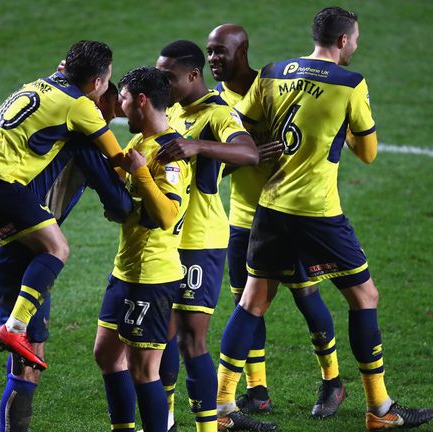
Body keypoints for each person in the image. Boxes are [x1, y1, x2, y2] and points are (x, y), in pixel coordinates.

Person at [215, 7, 433, 431]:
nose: (356, 45)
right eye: (355, 39)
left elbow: (240, 122)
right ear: (342, 41)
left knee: (251, 302)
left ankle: (223, 409)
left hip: (269, 208)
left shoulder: (274, 72)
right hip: (318, 214)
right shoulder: (351, 84)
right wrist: (341, 129)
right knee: (364, 297)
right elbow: (368, 154)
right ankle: (380, 410)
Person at [0, 86, 132, 432]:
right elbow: (119, 205)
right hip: (18, 253)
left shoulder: (49, 126)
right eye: (114, 105)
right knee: (26, 366)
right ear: (98, 101)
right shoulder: (83, 140)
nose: (115, 115)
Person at [0, 40, 127, 370]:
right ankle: (15, 328)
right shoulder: (81, 106)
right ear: (97, 84)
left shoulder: (40, 83)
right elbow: (116, 155)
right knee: (56, 249)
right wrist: (143, 174)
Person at [207, 24, 347, 420]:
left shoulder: (277, 87)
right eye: (210, 52)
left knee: (306, 295)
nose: (214, 59)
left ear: (243, 50)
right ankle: (257, 390)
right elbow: (213, 171)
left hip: (288, 217)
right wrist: (246, 157)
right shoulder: (214, 103)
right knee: (244, 304)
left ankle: (333, 380)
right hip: (242, 218)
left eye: (221, 51)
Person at [152, 40, 274, 432]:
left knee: (190, 337)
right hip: (167, 236)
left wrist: (198, 145)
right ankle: (167, 418)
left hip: (200, 242)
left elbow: (248, 152)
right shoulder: (170, 108)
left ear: (192, 75)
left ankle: (217, 418)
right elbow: (210, 168)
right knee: (164, 334)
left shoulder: (218, 113)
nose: (163, 84)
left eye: (169, 77)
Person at [93, 66, 192, 432]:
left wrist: (141, 174)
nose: (119, 105)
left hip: (152, 276)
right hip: (126, 270)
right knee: (106, 354)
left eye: (123, 99)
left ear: (141, 100)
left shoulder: (170, 154)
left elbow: (167, 215)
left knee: (143, 369)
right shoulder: (138, 145)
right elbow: (132, 208)